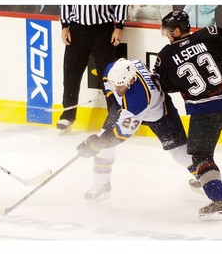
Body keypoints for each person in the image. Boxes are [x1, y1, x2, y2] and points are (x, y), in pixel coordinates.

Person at [154, 10, 222, 220]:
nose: (167, 35)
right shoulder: (207, 35)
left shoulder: (166, 55)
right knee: (204, 144)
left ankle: (218, 200)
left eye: (168, 31)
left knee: (201, 155)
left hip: (206, 111)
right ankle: (206, 176)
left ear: (177, 31)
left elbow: (165, 86)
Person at [76, 58, 193, 211]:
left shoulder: (138, 98)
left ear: (132, 79)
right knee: (104, 144)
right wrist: (116, 111)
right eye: (116, 85)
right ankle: (102, 184)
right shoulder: (112, 71)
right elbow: (112, 93)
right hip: (127, 110)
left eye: (122, 86)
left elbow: (120, 134)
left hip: (160, 115)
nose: (118, 89)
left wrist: (95, 144)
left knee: (180, 154)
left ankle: (206, 178)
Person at [57, 5, 129, 132]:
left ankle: (114, 117)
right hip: (76, 29)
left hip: (103, 29)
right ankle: (68, 115)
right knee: (71, 74)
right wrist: (64, 26)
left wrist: (119, 26)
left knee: (108, 77)